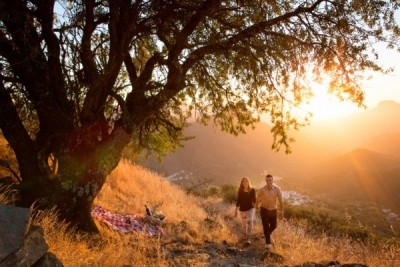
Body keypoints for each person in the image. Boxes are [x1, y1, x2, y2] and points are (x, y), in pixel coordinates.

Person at [255, 174, 284, 250]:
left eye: (270, 180)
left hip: (273, 210)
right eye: (267, 180)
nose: (269, 182)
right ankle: (268, 244)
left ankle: (267, 233)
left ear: (273, 181)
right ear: (266, 181)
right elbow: (257, 197)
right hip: (264, 209)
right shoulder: (262, 189)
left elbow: (281, 201)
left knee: (274, 226)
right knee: (266, 226)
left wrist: (282, 212)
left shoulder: (277, 189)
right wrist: (256, 205)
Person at [235, 177, 256, 244]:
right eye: (243, 182)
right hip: (242, 209)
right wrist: (236, 210)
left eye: (246, 181)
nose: (245, 183)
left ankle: (248, 238)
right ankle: (245, 235)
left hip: (251, 208)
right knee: (244, 225)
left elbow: (254, 199)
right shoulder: (240, 191)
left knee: (249, 221)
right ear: (242, 183)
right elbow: (238, 200)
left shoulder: (252, 190)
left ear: (248, 182)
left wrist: (256, 206)